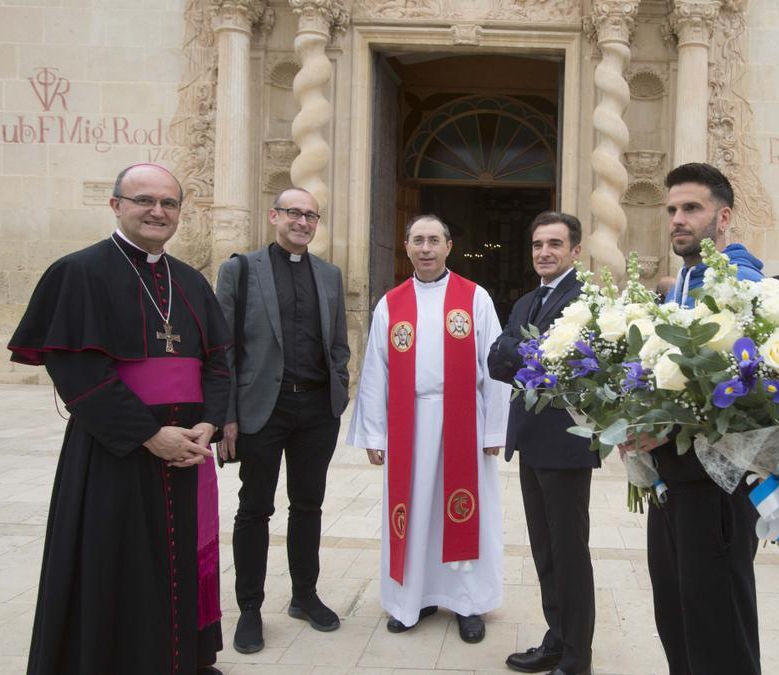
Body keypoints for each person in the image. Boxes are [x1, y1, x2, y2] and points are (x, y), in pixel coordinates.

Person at [8, 163, 231, 675]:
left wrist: (210, 423)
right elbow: (77, 368)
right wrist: (150, 435)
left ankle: (182, 661)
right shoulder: (80, 271)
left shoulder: (190, 280)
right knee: (116, 565)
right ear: (116, 205)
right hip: (115, 453)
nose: (158, 211)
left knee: (180, 562)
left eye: (169, 203)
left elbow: (220, 360)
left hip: (188, 451)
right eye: (144, 200)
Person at [622, 162, 766, 675]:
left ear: (723, 217)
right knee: (679, 618)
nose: (678, 219)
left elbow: (741, 393)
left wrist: (662, 422)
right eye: (672, 210)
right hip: (674, 478)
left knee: (718, 630)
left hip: (717, 486)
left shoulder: (740, 283)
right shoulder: (685, 280)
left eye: (691, 208)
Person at [347, 214, 510, 643]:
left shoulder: (474, 298)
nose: (425, 248)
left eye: (433, 240)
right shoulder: (391, 303)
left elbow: (494, 368)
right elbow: (374, 372)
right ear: (406, 247)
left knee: (464, 512)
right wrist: (375, 434)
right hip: (410, 424)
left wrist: (495, 430)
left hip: (464, 423)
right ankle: (411, 599)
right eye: (417, 240)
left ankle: (468, 603)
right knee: (413, 512)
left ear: (449, 246)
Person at [214, 188, 351, 653]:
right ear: (274, 216)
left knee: (308, 505)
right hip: (261, 411)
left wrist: (340, 385)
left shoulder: (329, 275)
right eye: (294, 213)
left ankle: (304, 595)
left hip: (315, 410)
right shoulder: (240, 271)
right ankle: (249, 608)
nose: (302, 222)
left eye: (311, 215)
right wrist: (225, 417)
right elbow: (223, 350)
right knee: (254, 508)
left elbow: (338, 343)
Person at [488, 212, 598, 675]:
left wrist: (525, 353)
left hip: (566, 444)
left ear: (575, 251)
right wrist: (532, 353)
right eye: (537, 245)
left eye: (555, 244)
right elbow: (496, 358)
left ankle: (577, 656)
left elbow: (569, 364)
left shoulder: (586, 301)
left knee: (569, 551)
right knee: (545, 549)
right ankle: (556, 637)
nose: (544, 253)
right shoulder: (527, 301)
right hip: (531, 442)